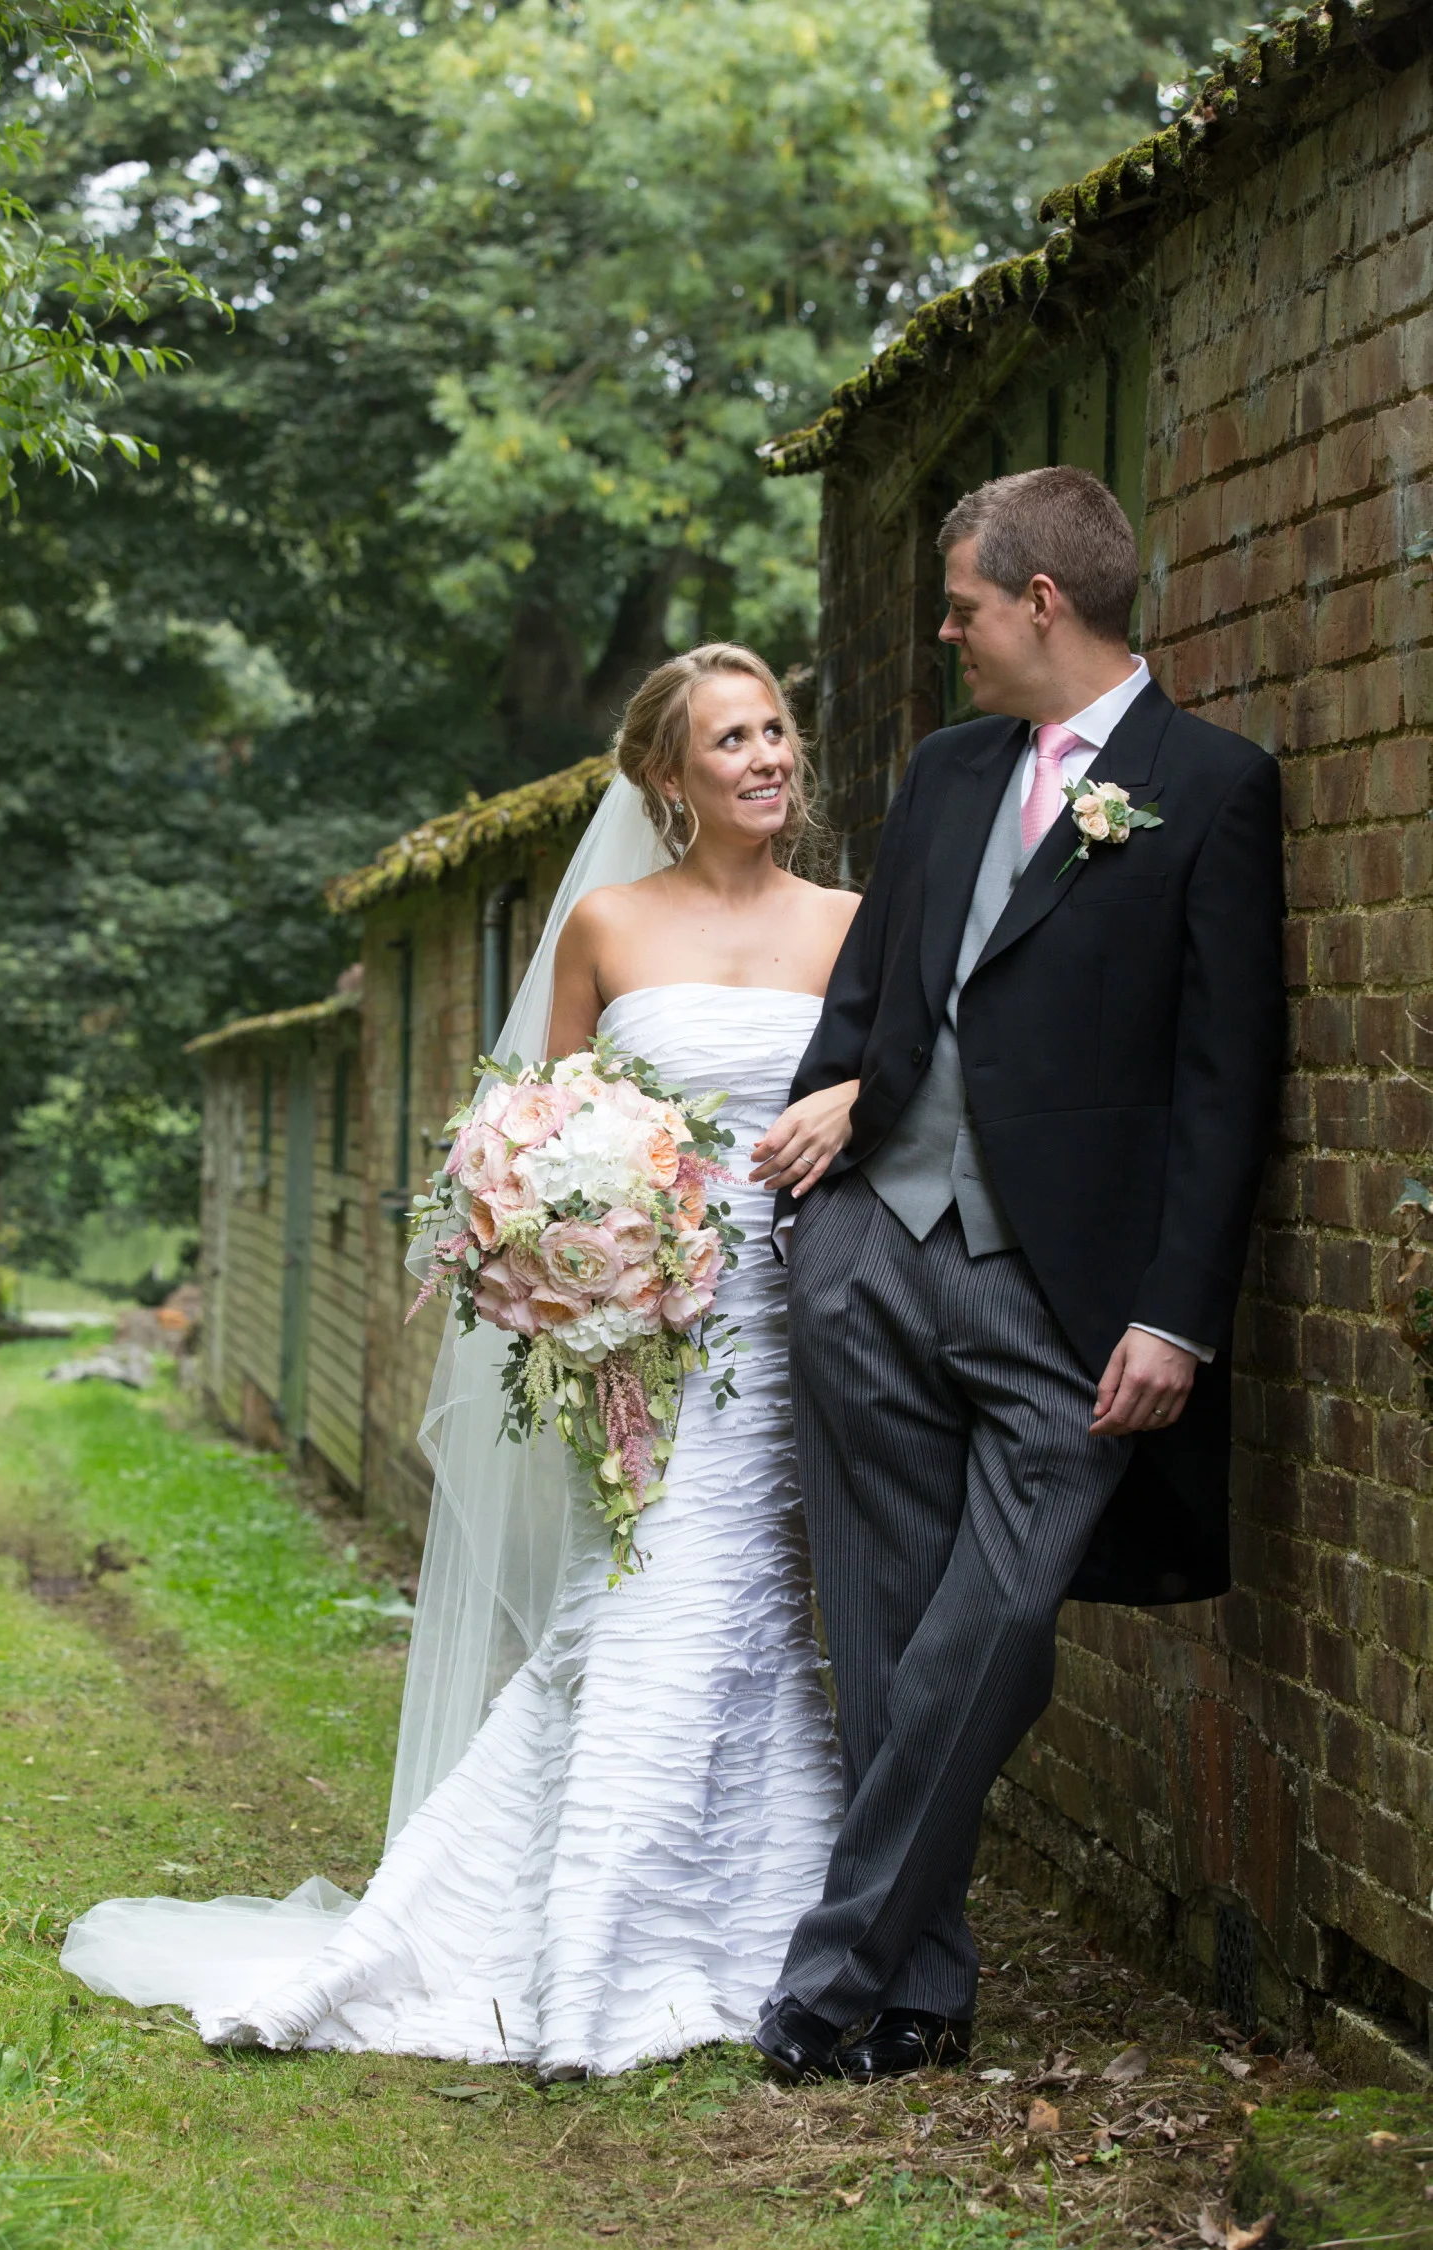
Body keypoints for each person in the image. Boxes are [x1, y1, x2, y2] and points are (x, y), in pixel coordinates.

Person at [61, 643, 857, 2080]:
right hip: (649, 1341)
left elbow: (910, 1078)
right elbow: (541, 1134)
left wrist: (852, 1094)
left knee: (755, 1619)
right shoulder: (605, 926)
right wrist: (582, 1273)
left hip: (803, 1325)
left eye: (775, 730)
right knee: (652, 1606)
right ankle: (592, 1963)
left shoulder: (853, 924)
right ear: (668, 776)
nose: (766, 758)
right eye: (731, 738)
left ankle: (755, 1925)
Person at [748, 465, 1285, 2085]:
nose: (947, 632)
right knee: (881, 1626)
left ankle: (830, 1974)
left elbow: (1225, 1081)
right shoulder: (944, 771)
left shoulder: (1211, 787)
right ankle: (923, 1993)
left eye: (964, 605)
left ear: (1042, 602)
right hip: (873, 1256)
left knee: (991, 1625)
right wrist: (832, 1164)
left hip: (1070, 1306)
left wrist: (1176, 1312)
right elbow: (876, 994)